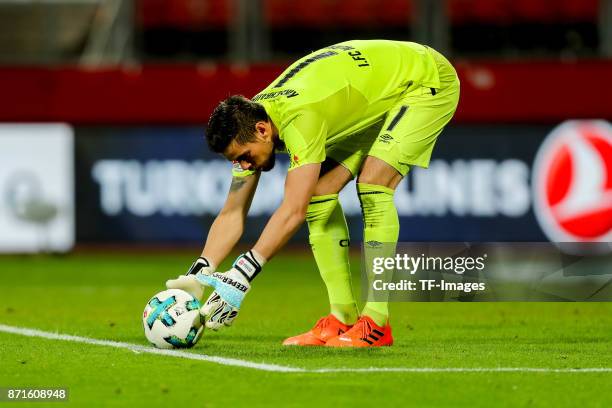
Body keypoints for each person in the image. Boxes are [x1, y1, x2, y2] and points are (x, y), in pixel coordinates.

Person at [166, 39, 460, 347]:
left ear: (264, 131)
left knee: (373, 183)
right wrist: (201, 272)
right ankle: (342, 318)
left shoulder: (299, 118)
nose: (242, 165)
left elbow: (293, 209)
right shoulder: (253, 121)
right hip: (376, 92)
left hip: (424, 80)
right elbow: (232, 212)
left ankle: (376, 322)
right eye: (235, 160)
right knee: (320, 195)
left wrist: (243, 274)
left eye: (244, 156)